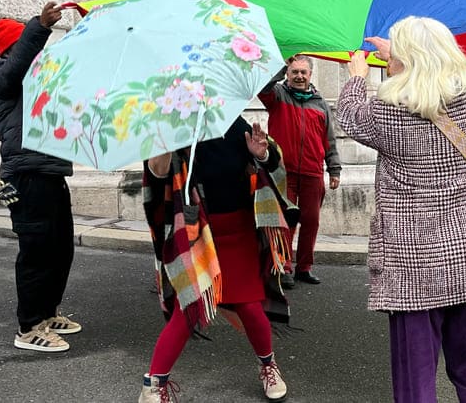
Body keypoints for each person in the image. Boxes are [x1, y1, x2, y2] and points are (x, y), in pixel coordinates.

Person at [337, 16, 466, 403]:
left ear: (407, 61)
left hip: (414, 263)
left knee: (416, 379)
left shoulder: (387, 113)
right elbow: (432, 82)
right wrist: (401, 56)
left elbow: (350, 115)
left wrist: (357, 76)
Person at [139, 117, 291, 403]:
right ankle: (154, 384)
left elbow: (274, 162)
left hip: (239, 229)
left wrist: (262, 154)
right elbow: (156, 175)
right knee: (189, 308)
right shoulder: (171, 126)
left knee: (249, 306)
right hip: (197, 232)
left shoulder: (230, 119)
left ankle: (268, 365)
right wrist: (164, 145)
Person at [0, 1, 81, 353]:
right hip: (25, 176)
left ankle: (48, 313)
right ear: (15, 48)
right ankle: (29, 326)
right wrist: (39, 27)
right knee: (37, 251)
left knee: (60, 248)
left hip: (50, 172)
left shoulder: (37, 81)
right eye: (29, 46)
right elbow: (16, 68)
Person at [259, 54, 342, 288]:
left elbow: (329, 139)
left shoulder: (321, 103)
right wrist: (281, 65)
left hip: (312, 171)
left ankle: (304, 268)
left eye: (303, 72)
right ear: (287, 73)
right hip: (283, 173)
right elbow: (262, 88)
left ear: (310, 75)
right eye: (294, 72)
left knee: (311, 222)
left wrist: (334, 168)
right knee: (285, 221)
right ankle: (284, 267)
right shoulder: (277, 95)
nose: (299, 76)